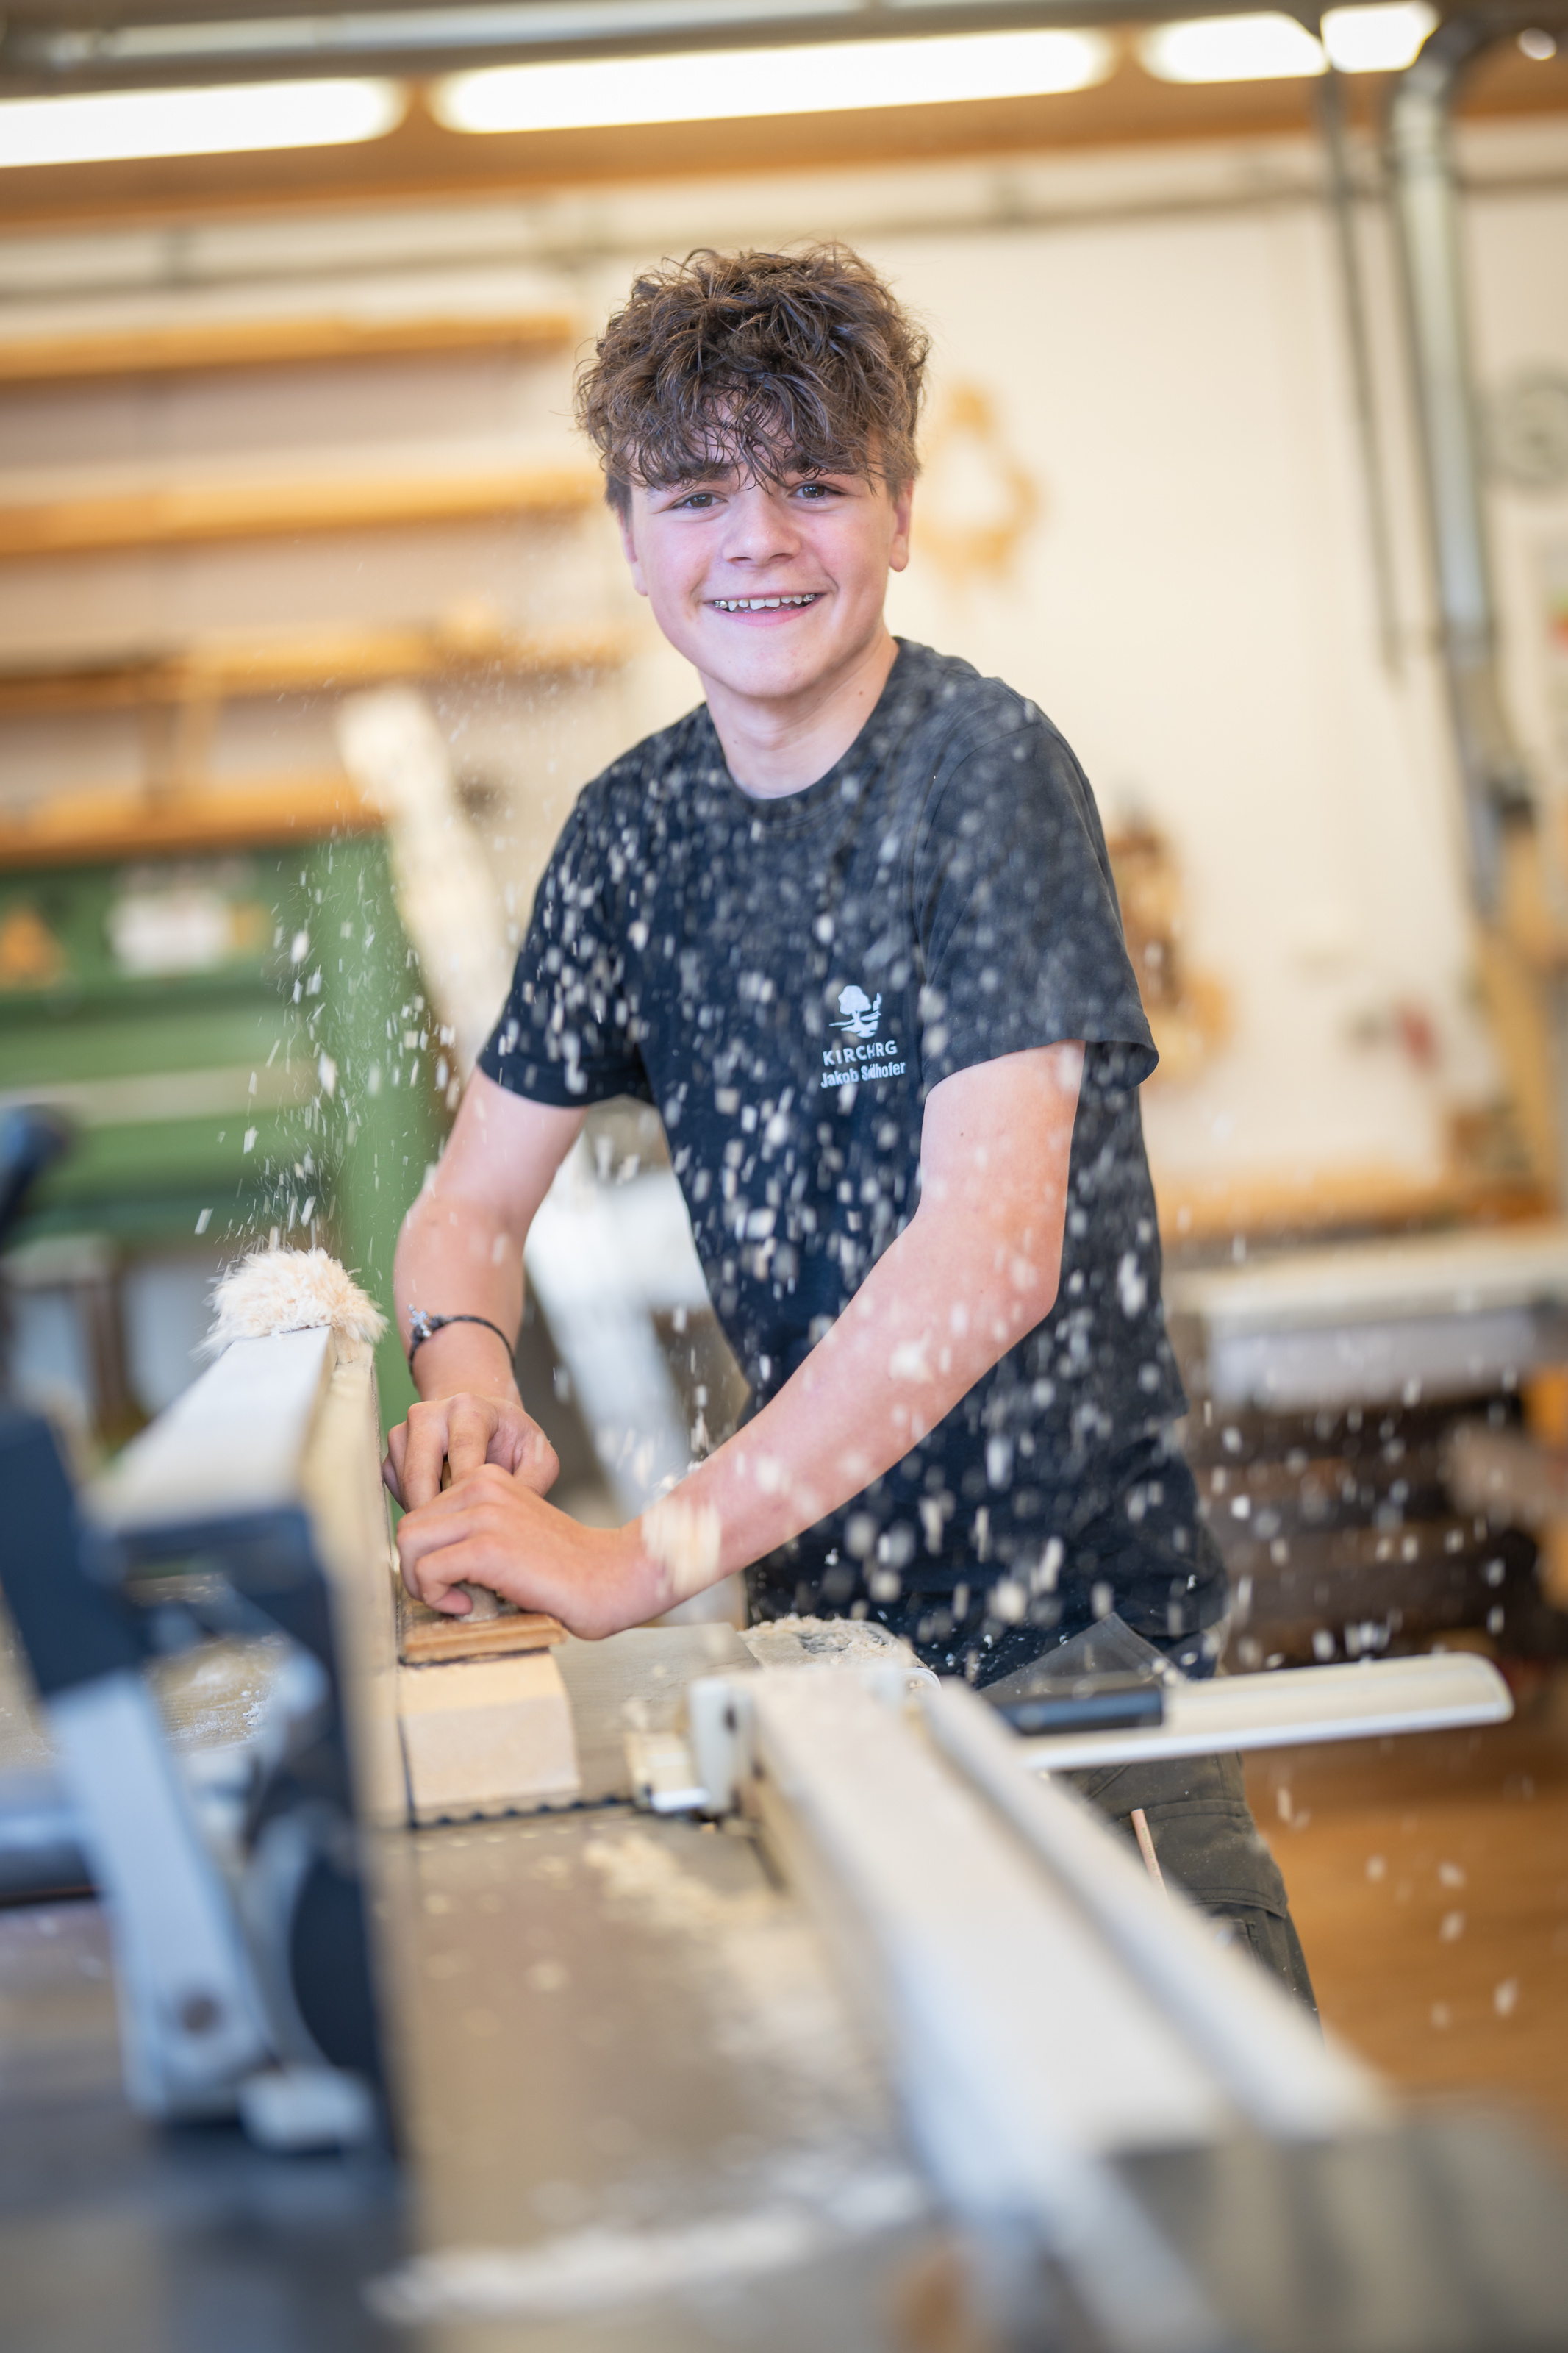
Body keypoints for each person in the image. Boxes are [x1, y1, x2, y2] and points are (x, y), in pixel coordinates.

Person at [385, 244, 1314, 2007]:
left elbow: (985, 1256)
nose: (756, 541)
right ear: (632, 535)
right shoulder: (628, 837)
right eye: (695, 494)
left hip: (1071, 1652)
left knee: (1204, 2195)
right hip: (819, 1645)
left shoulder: (984, 776)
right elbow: (464, 1213)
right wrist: (466, 1381)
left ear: (899, 508)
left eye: (812, 482)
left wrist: (639, 1549)